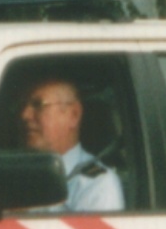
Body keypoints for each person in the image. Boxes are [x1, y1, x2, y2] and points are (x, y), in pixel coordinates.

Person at [18, 77, 123, 212]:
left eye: (38, 105)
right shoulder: (21, 178)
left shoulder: (97, 185)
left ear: (74, 115)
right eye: (22, 105)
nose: (25, 115)